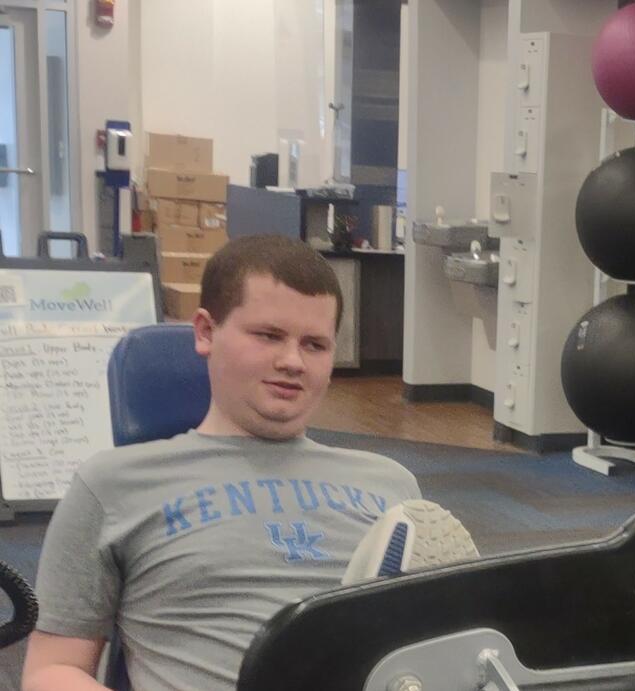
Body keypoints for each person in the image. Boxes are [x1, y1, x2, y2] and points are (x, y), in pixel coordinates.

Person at [23, 236, 475, 691]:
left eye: (315, 345)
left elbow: (433, 649)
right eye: (268, 336)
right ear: (206, 332)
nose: (293, 361)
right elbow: (50, 671)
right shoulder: (112, 485)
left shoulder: (391, 486)